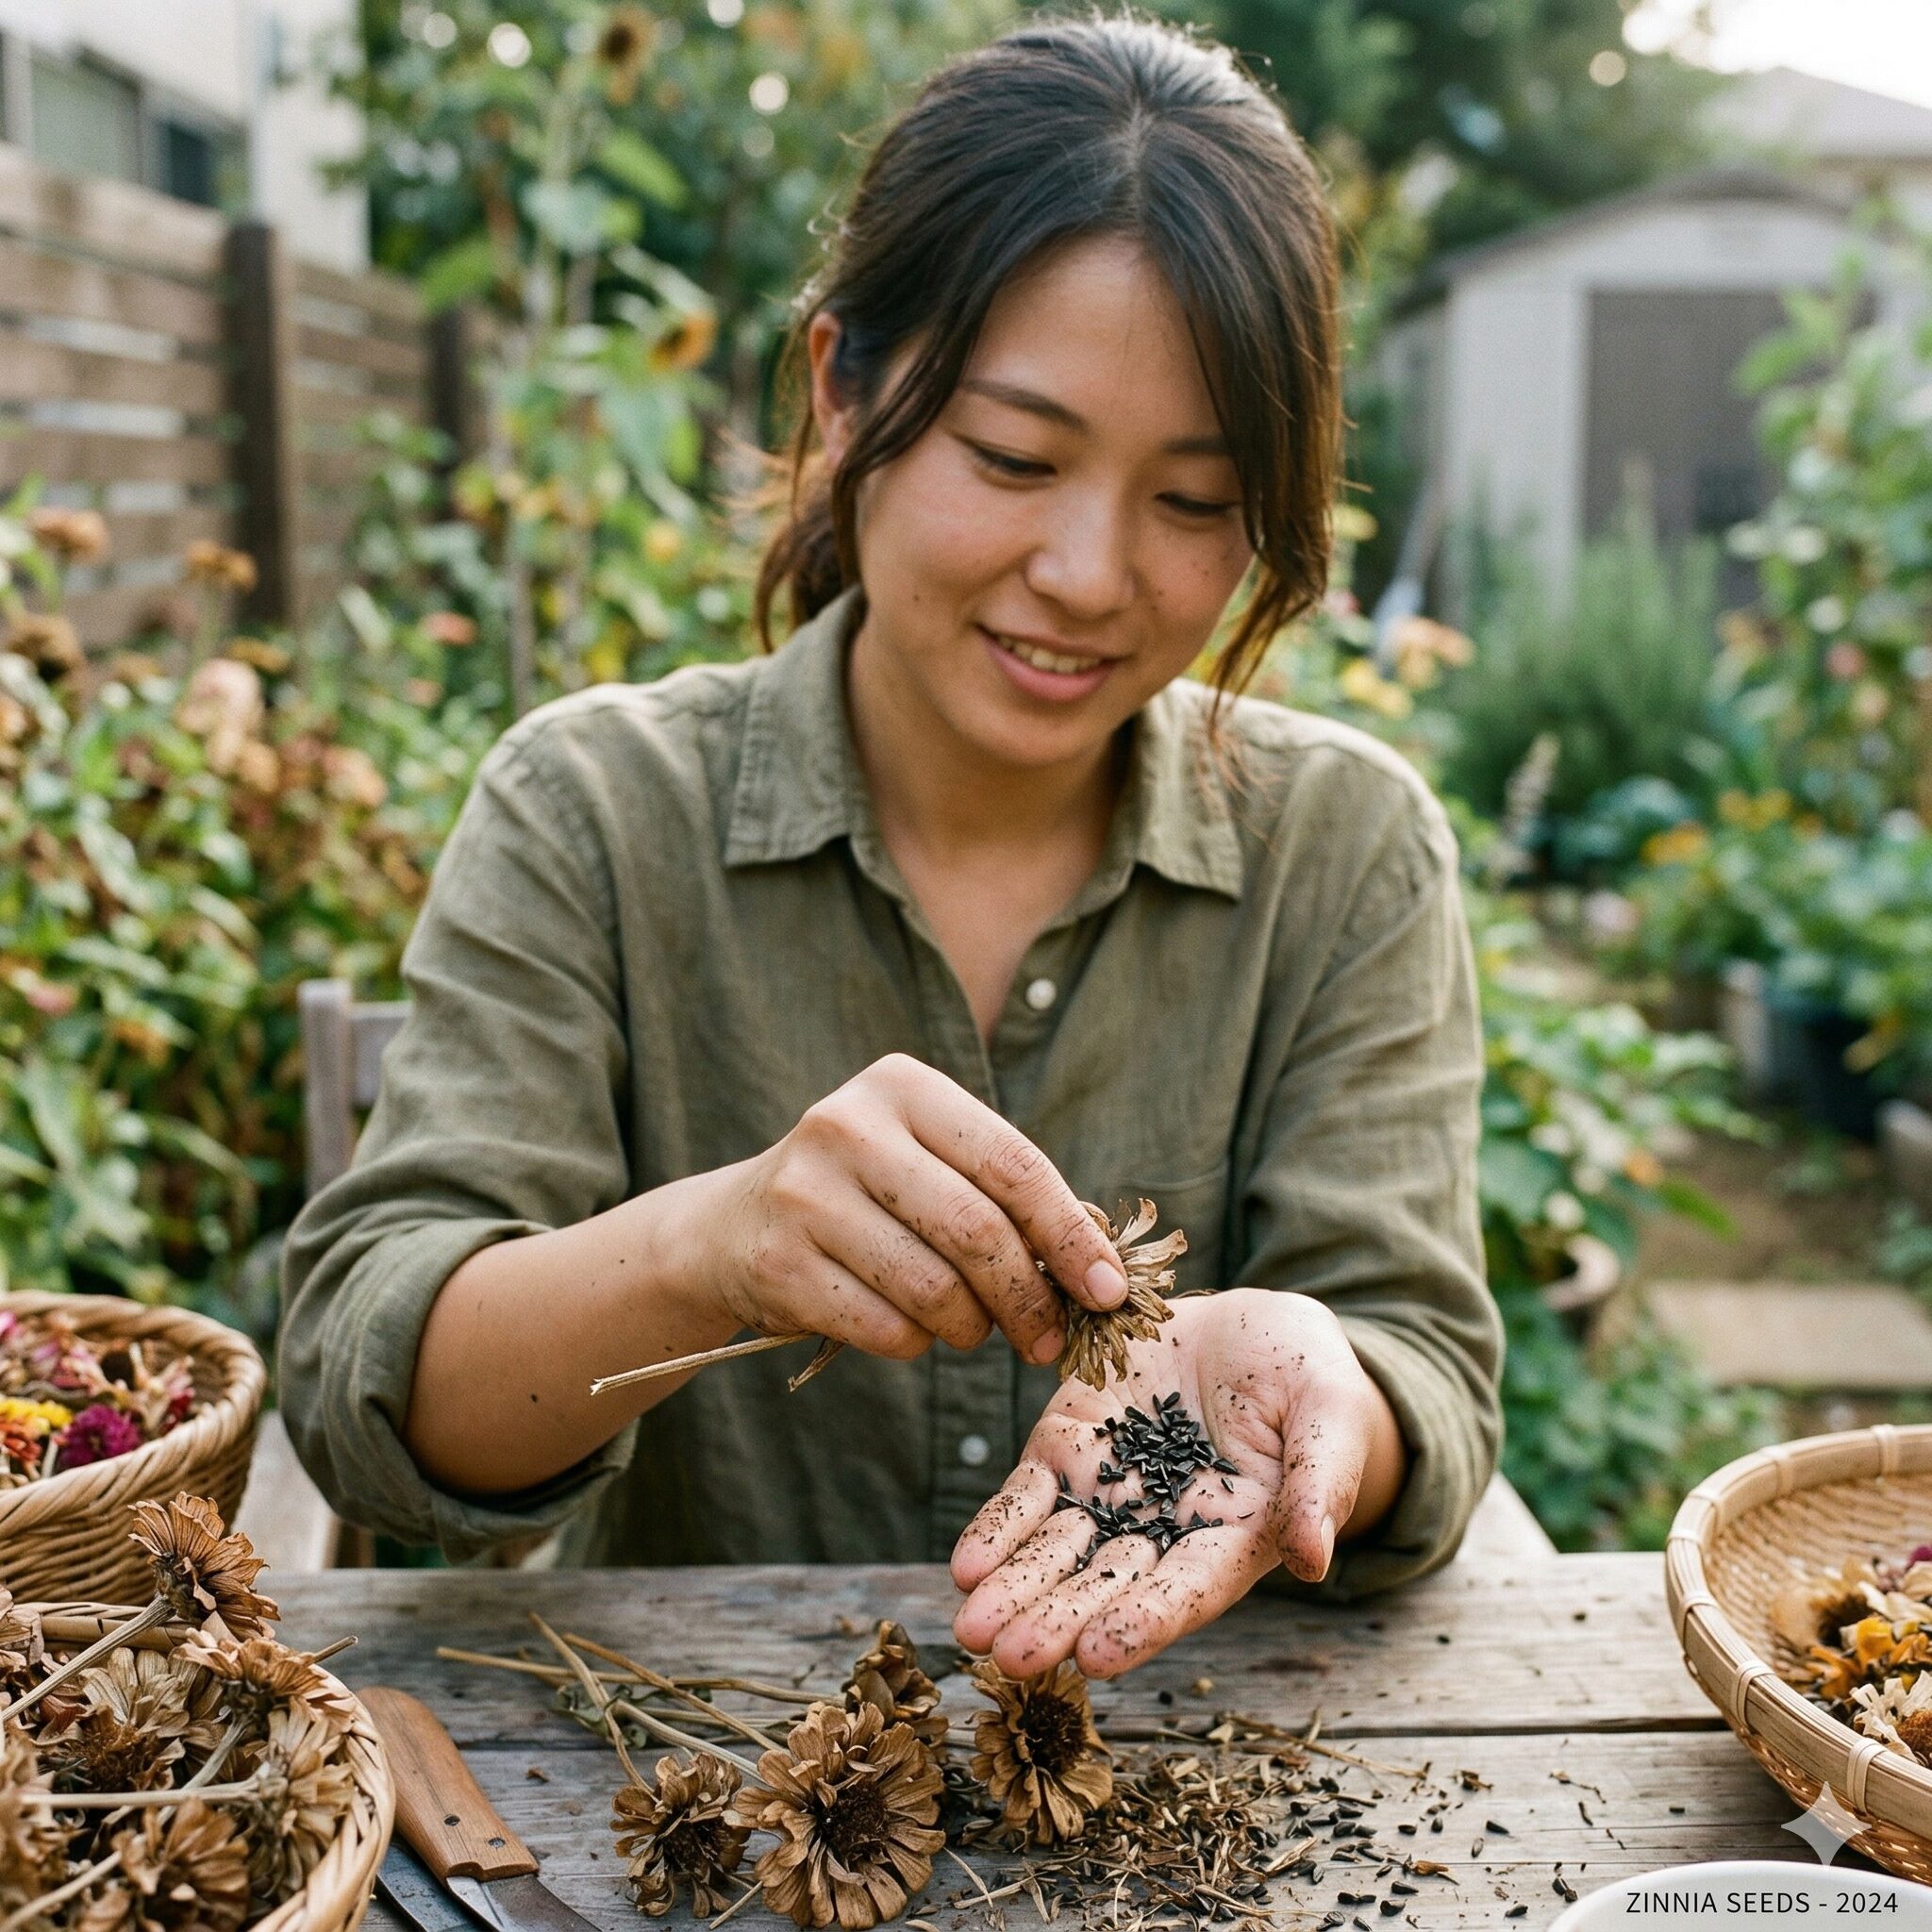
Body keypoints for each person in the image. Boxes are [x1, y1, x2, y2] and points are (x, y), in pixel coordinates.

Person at [280, 8, 1502, 1682]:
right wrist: (705, 1252)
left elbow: (1415, 1356)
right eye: (1014, 456)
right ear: (842, 390)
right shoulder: (597, 809)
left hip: (1187, 1765)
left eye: (1196, 501)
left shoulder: (1345, 851)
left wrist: (1318, 1378)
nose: (1088, 571)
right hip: (689, 1773)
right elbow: (371, 1370)